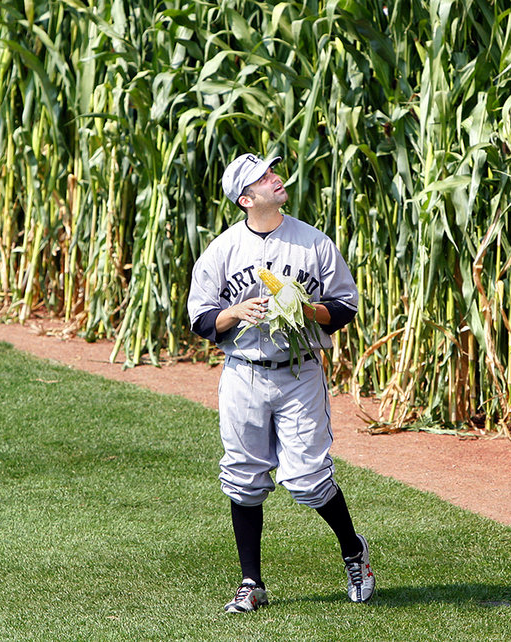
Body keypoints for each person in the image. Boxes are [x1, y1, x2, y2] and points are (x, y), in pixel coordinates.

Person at [187, 152, 375, 613]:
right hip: (243, 374)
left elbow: (345, 306)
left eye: (273, 171)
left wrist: (307, 309)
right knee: (243, 478)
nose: (276, 178)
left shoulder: (313, 243)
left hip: (298, 373)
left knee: (308, 480)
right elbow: (199, 316)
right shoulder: (223, 250)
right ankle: (251, 582)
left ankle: (354, 551)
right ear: (247, 198)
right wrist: (234, 313)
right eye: (264, 177)